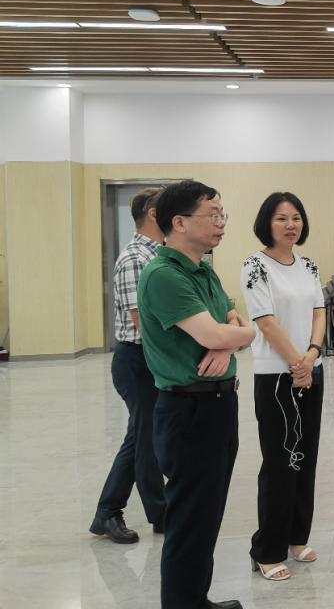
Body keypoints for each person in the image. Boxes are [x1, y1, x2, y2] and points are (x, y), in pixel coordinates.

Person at [137, 180, 256, 609]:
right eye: (213, 214)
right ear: (180, 222)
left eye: (223, 214)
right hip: (188, 410)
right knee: (189, 521)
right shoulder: (164, 275)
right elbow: (223, 330)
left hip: (218, 403)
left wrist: (227, 341)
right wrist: (238, 336)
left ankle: (195, 599)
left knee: (207, 516)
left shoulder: (203, 268)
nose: (221, 223)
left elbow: (230, 319)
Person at [240, 192, 326, 582]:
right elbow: (266, 322)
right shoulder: (255, 266)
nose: (291, 225)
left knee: (305, 458)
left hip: (310, 369)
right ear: (266, 223)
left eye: (296, 218)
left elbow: (319, 312)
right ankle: (267, 550)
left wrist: (312, 354)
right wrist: (296, 362)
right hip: (276, 375)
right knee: (280, 462)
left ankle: (296, 537)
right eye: (281, 218)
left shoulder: (308, 265)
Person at [90, 187, 167, 544]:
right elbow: (143, 323)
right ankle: (159, 513)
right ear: (153, 214)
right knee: (145, 438)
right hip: (137, 360)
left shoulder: (158, 253)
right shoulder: (137, 258)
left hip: (147, 358)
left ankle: (107, 512)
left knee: (140, 436)